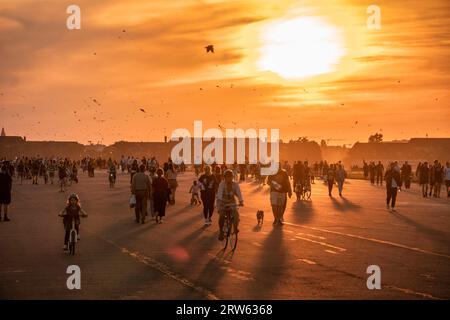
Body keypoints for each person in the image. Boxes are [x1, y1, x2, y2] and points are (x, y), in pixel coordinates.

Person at [217, 169, 244, 240]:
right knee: (222, 216)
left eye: (231, 177)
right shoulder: (222, 184)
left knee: (236, 215)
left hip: (232, 202)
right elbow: (219, 194)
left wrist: (241, 201)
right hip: (223, 202)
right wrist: (219, 204)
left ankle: (235, 227)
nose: (229, 178)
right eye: (227, 177)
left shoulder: (235, 184)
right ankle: (221, 232)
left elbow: (239, 193)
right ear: (224, 177)